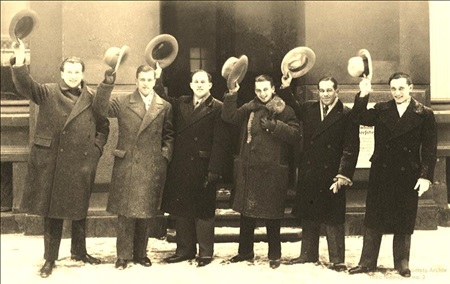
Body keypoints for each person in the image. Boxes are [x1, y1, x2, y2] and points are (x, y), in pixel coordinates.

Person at [11, 39, 113, 278]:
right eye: (69, 72)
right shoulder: (47, 91)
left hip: (82, 161)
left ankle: (79, 251)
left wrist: (96, 149)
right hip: (53, 161)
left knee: (80, 209)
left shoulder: (91, 96)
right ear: (61, 73)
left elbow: (103, 125)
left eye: (77, 72)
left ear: (83, 74)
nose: (73, 76)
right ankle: (49, 259)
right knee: (53, 212)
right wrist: (19, 59)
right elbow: (25, 85)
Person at [348, 72, 437, 277]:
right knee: (373, 218)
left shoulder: (424, 114)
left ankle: (402, 262)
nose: (397, 93)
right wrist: (363, 94)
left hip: (408, 175)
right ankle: (367, 261)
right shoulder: (381, 109)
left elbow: (429, 149)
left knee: (404, 218)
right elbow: (358, 118)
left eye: (401, 88)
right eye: (393, 88)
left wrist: (425, 176)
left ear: (411, 88)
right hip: (382, 172)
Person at [92, 64, 174, 269]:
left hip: (150, 164)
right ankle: (122, 255)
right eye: (142, 80)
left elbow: (169, 135)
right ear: (136, 81)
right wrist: (107, 82)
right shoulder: (122, 101)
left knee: (145, 211)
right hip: (127, 163)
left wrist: (164, 155)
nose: (146, 83)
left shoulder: (163, 106)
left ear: (155, 81)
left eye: (149, 79)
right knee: (126, 213)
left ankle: (140, 253)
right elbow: (100, 109)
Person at [279, 74, 360, 272]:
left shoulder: (346, 113)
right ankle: (307, 254)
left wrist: (343, 174)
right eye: (322, 90)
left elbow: (351, 146)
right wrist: (286, 86)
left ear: (336, 91)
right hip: (310, 171)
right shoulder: (309, 108)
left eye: (329, 90)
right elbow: (293, 105)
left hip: (333, 174)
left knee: (333, 217)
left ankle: (337, 259)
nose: (325, 94)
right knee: (309, 213)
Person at [221, 74, 301, 269]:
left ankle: (274, 255)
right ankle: (245, 252)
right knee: (247, 214)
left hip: (272, 171)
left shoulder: (284, 109)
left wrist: (275, 126)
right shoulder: (250, 108)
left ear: (273, 89)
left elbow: (296, 135)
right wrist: (233, 93)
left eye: (266, 89)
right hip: (250, 169)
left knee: (272, 215)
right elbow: (229, 116)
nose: (262, 93)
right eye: (258, 90)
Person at [159, 68, 232, 267]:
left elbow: (220, 141)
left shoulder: (218, 107)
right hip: (181, 165)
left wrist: (214, 169)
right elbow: (161, 97)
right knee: (182, 209)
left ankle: (205, 253)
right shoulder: (180, 102)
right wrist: (158, 77)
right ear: (191, 85)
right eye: (196, 82)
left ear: (210, 85)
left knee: (204, 211)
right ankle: (184, 250)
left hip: (204, 167)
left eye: (203, 82)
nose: (199, 85)